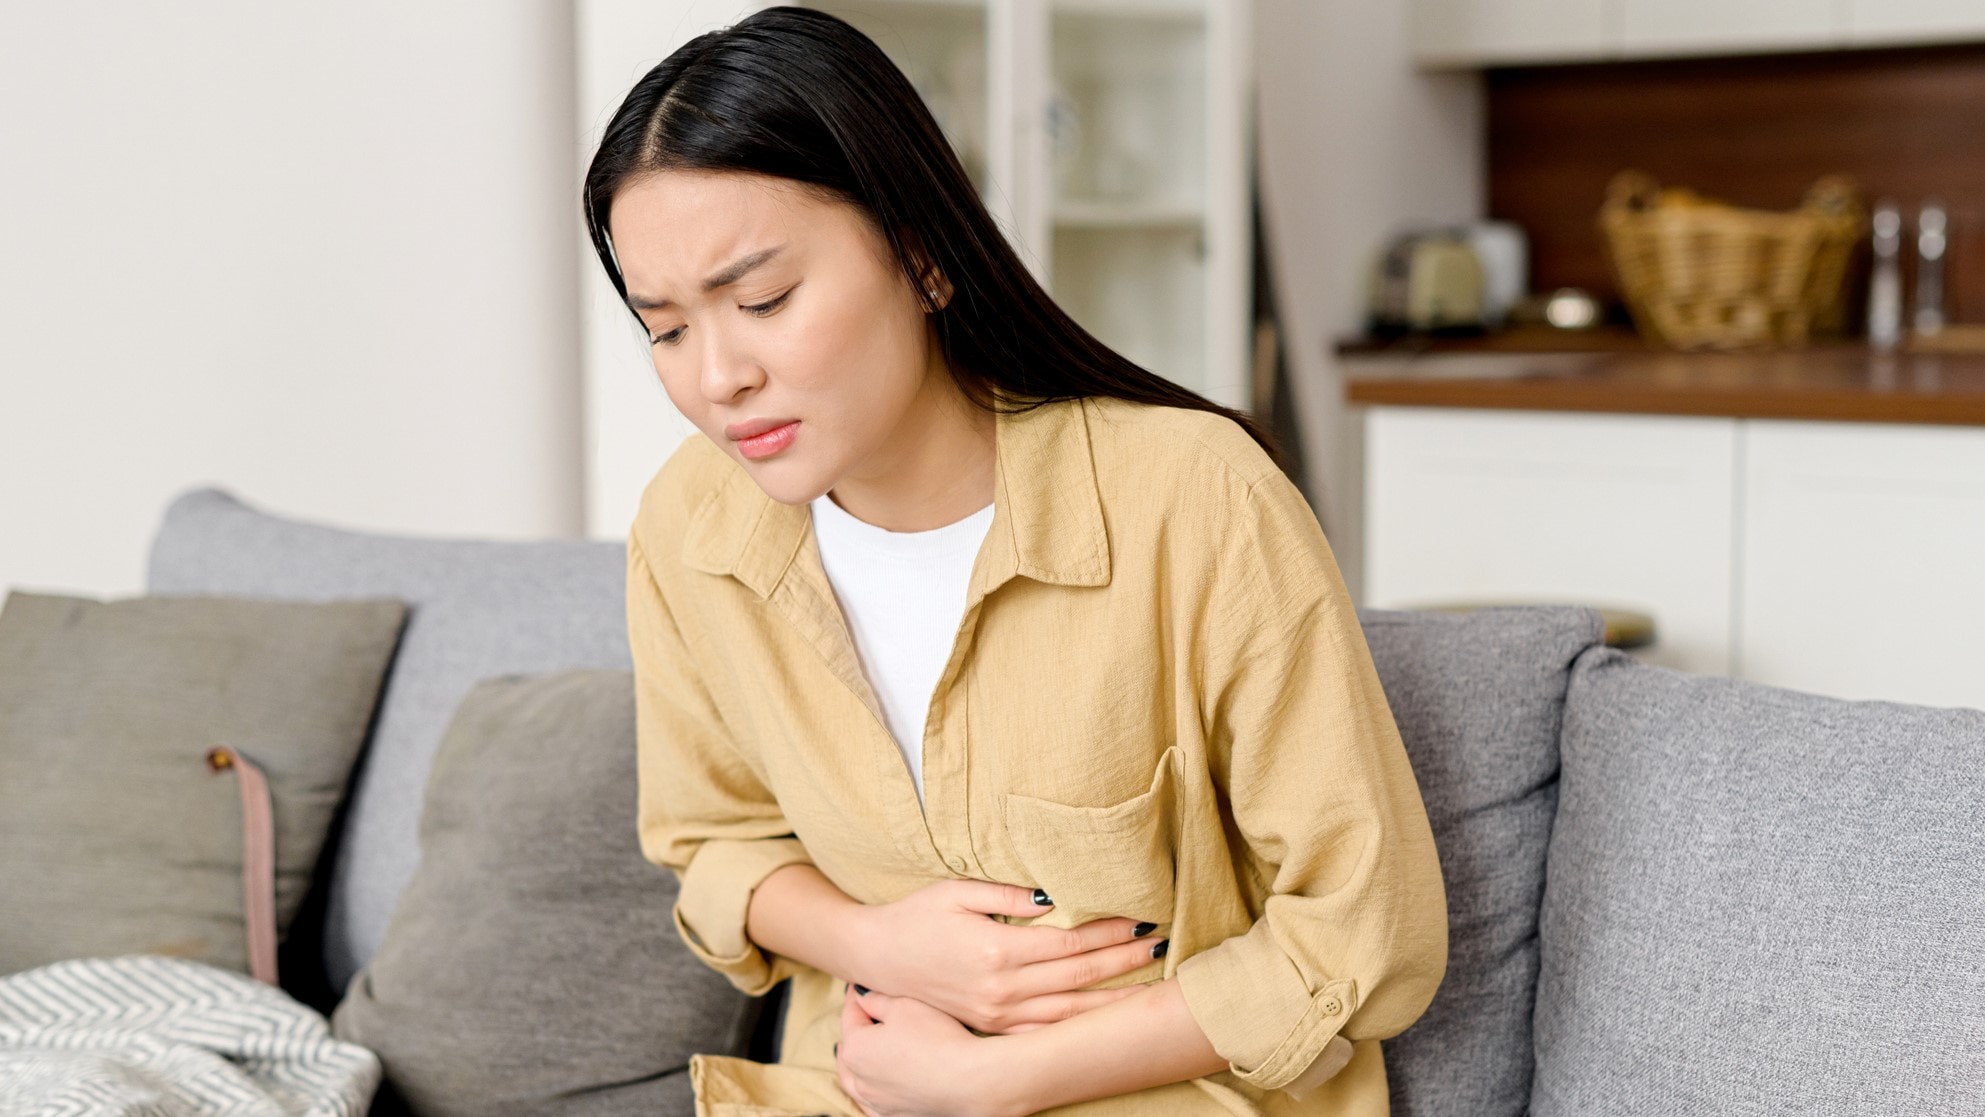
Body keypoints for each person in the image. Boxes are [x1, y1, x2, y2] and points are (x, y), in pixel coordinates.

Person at [585, 7, 1447, 1115]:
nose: (718, 378)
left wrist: (999, 1079)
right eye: (665, 329)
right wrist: (877, 942)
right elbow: (708, 844)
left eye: (762, 301)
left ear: (923, 255)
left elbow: (1364, 927)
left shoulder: (1192, 498)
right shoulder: (689, 531)